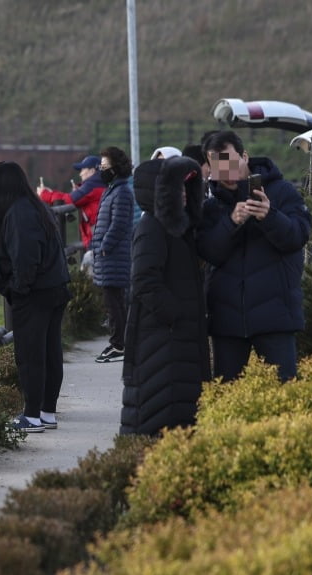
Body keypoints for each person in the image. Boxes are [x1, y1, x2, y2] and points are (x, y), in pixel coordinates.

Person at [197, 129, 312, 381]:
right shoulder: (212, 206)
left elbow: (297, 236)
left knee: (284, 393)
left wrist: (269, 216)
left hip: (276, 317)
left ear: (245, 156)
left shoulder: (282, 192)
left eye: (228, 161)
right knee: (227, 395)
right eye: (217, 166)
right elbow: (208, 253)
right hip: (227, 321)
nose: (224, 173)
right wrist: (231, 222)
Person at [120, 156, 211, 436]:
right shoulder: (152, 227)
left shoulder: (177, 228)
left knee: (177, 408)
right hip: (161, 336)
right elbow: (144, 280)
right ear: (160, 192)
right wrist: (176, 315)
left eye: (186, 188)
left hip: (175, 338)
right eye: (177, 188)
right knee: (157, 410)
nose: (184, 194)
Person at [0, 161, 71, 433]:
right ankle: (47, 412)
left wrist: (17, 289)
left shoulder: (19, 213)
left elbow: (26, 258)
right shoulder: (35, 207)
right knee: (49, 352)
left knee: (30, 355)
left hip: (35, 293)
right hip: (54, 287)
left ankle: (32, 415)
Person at [89, 146, 135, 363]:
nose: (101, 170)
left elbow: (118, 223)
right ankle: (118, 341)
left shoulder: (122, 191)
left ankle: (119, 344)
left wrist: (104, 246)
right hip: (108, 255)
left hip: (112, 256)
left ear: (116, 169)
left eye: (105, 166)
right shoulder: (113, 189)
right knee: (113, 300)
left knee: (114, 300)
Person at [37, 154, 104, 250]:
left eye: (83, 170)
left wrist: (45, 194)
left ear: (92, 171)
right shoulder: (100, 184)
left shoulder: (91, 187)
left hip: (97, 241)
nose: (80, 174)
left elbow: (69, 200)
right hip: (101, 237)